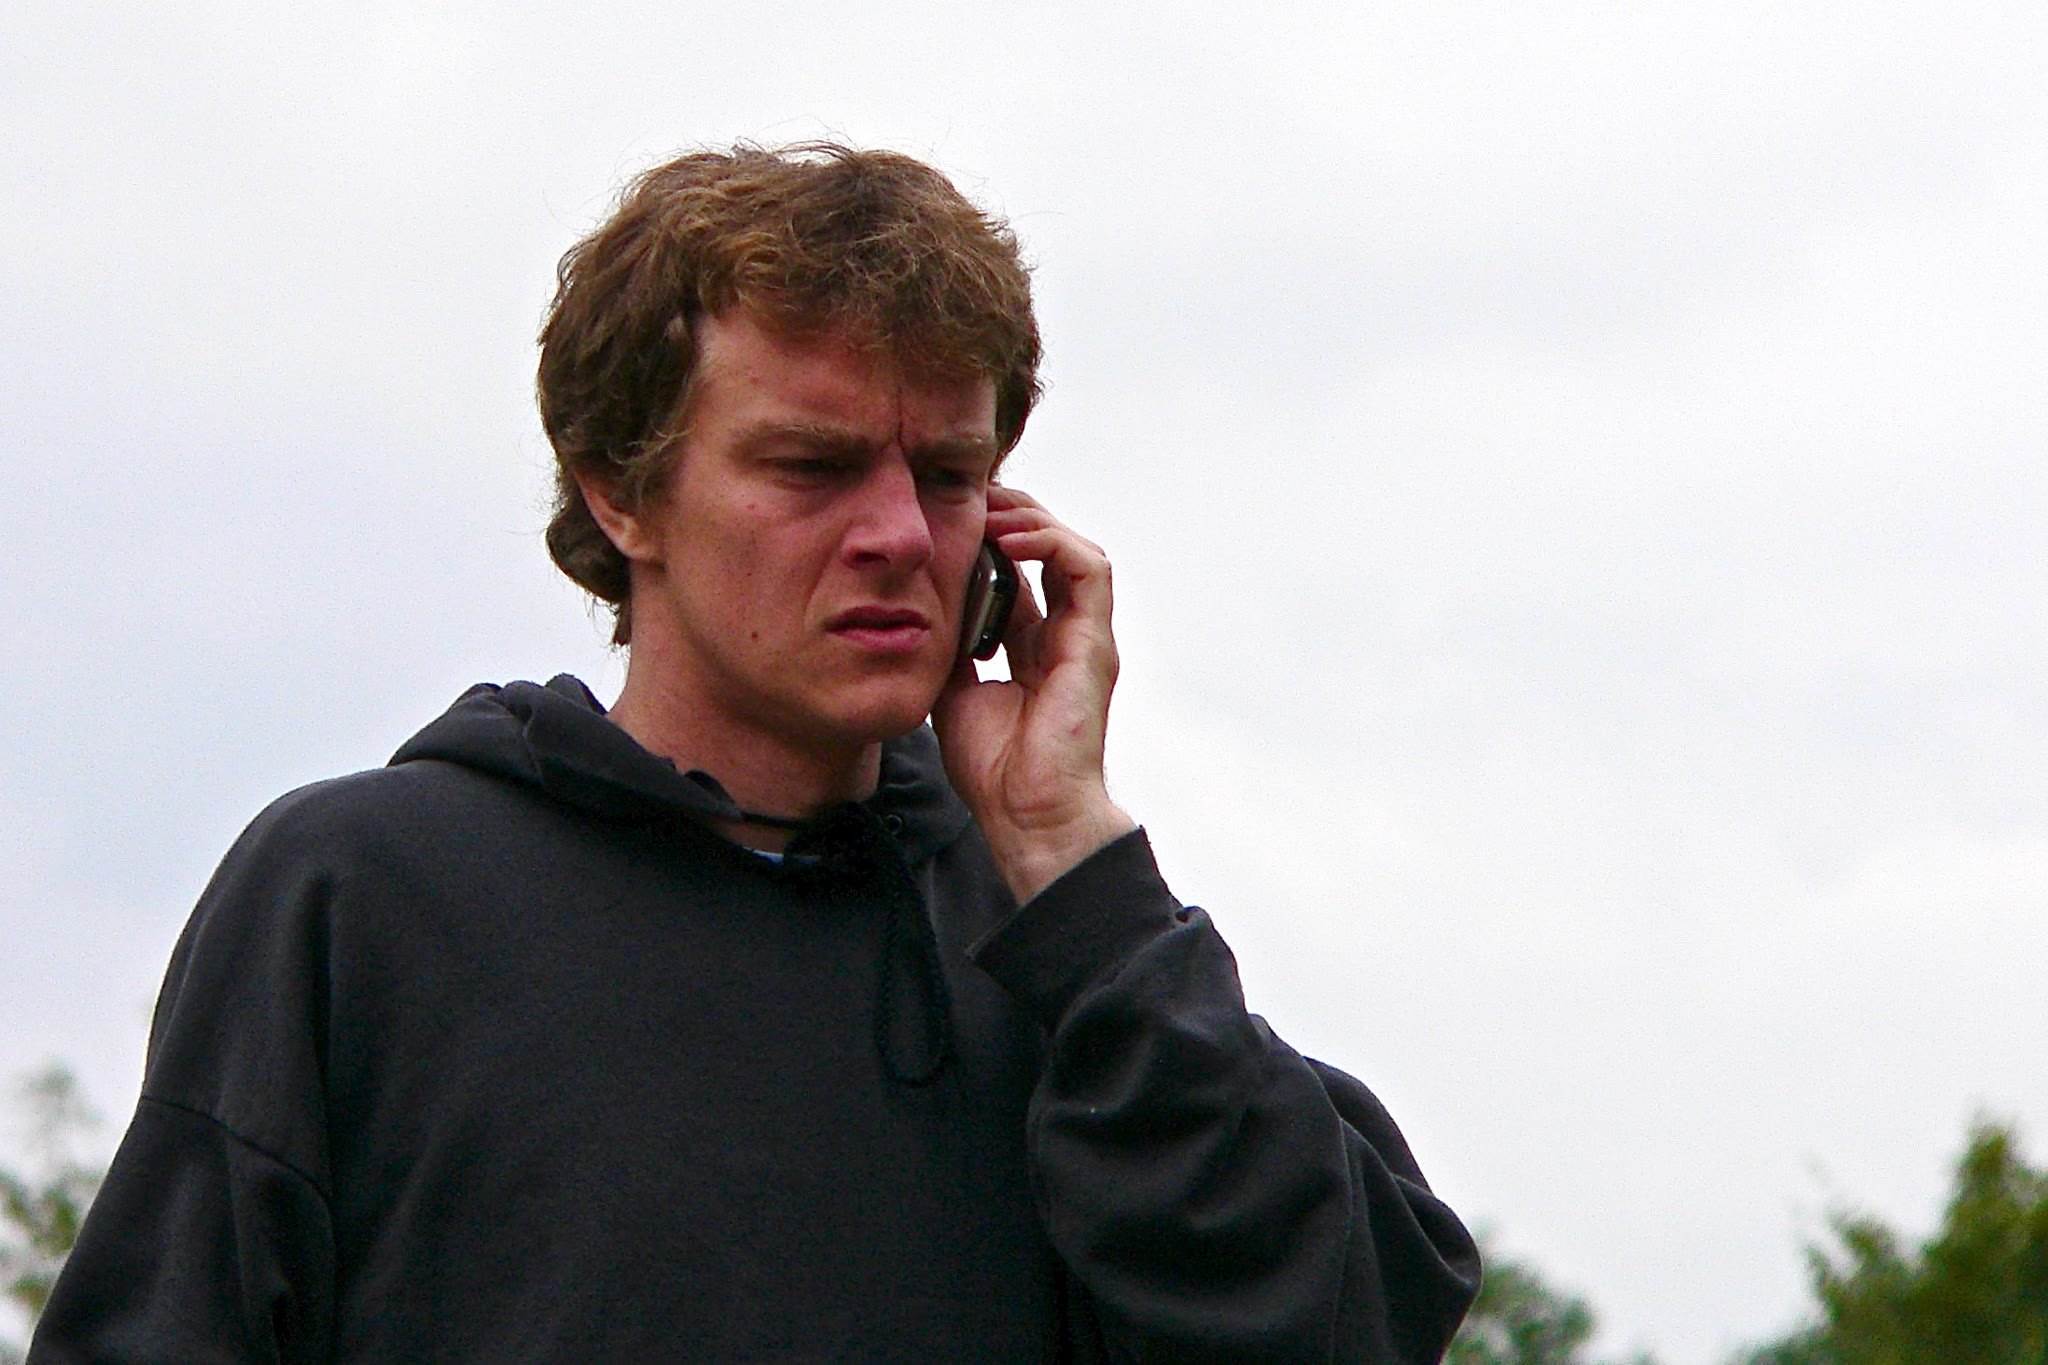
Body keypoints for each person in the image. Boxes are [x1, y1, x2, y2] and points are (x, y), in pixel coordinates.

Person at [34, 143, 1479, 1362]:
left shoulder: (1065, 953)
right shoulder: (363, 896)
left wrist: (1068, 857)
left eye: (949, 473)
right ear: (621, 492)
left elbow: (1347, 1327)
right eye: (811, 466)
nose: (899, 534)